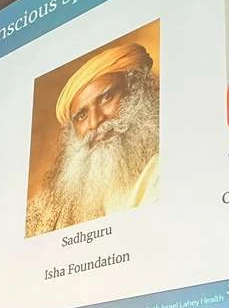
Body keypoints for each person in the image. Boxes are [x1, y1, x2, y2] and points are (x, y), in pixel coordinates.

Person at [26, 43, 160, 237]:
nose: (95, 121)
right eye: (81, 116)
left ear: (136, 89)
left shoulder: (163, 169)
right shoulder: (68, 200)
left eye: (106, 98)